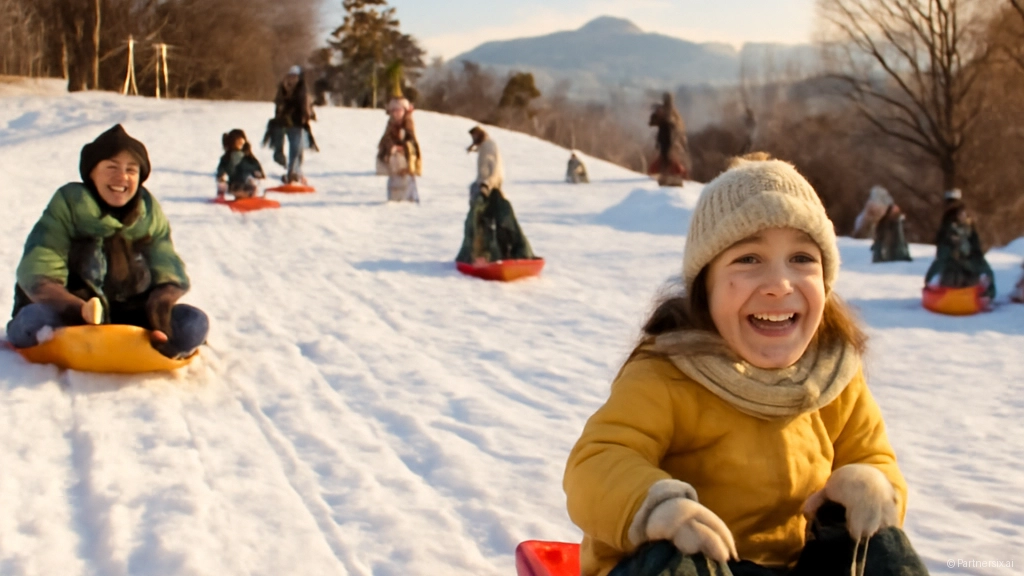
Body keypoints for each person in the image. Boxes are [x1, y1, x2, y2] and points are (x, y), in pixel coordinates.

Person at [564, 155, 928, 576]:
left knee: (880, 545)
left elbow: (875, 456)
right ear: (706, 286)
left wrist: (871, 485)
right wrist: (659, 508)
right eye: (749, 259)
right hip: (684, 561)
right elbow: (597, 461)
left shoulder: (833, 376)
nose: (779, 284)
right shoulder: (669, 373)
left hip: (792, 566)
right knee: (681, 563)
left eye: (802, 259)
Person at [6, 124, 208, 360]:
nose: (122, 177)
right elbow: (41, 267)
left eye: (131, 170)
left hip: (130, 316)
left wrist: (160, 307)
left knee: (194, 322)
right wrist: (78, 309)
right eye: (112, 167)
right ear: (92, 173)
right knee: (34, 320)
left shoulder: (149, 214)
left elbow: (167, 265)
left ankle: (147, 342)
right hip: (70, 316)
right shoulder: (68, 206)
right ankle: (78, 340)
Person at [456, 126, 538, 263]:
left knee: (485, 220)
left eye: (475, 136)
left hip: (488, 186)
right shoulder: (485, 145)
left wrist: (487, 184)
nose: (474, 139)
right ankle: (492, 253)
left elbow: (493, 167)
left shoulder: (488, 146)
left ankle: (487, 253)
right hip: (485, 185)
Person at [924, 201, 995, 300]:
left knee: (974, 278)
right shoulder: (947, 234)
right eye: (961, 214)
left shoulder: (971, 234)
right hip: (951, 273)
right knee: (954, 278)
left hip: (969, 272)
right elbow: (941, 260)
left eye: (965, 215)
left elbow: (979, 258)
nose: (964, 217)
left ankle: (977, 295)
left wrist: (990, 290)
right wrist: (928, 281)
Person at [265, 65, 318, 184]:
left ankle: (294, 172)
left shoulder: (303, 90)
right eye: (291, 75)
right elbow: (278, 103)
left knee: (297, 149)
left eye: (295, 76)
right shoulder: (283, 88)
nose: (292, 78)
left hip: (297, 123)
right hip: (283, 123)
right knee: (287, 147)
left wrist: (308, 115)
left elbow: (306, 106)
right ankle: (290, 170)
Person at [377, 96, 421, 202]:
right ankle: (394, 198)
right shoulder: (391, 123)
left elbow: (411, 140)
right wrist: (390, 146)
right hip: (394, 159)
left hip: (406, 157)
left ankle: (409, 198)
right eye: (394, 110)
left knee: (407, 180)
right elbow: (385, 138)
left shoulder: (408, 122)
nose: (396, 113)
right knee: (395, 179)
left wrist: (403, 147)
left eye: (399, 110)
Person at [647, 92, 689, 186]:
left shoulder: (672, 114)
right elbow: (653, 122)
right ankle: (669, 177)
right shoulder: (669, 113)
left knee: (669, 163)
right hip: (666, 141)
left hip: (670, 142)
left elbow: (676, 127)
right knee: (666, 163)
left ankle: (675, 178)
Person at [216, 128, 265, 199]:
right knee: (223, 185)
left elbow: (256, 167)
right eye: (237, 140)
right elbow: (221, 170)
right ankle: (221, 196)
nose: (240, 142)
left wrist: (257, 173)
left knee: (252, 184)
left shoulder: (248, 156)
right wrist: (221, 177)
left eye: (242, 139)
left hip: (246, 184)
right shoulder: (227, 158)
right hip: (233, 185)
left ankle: (251, 197)